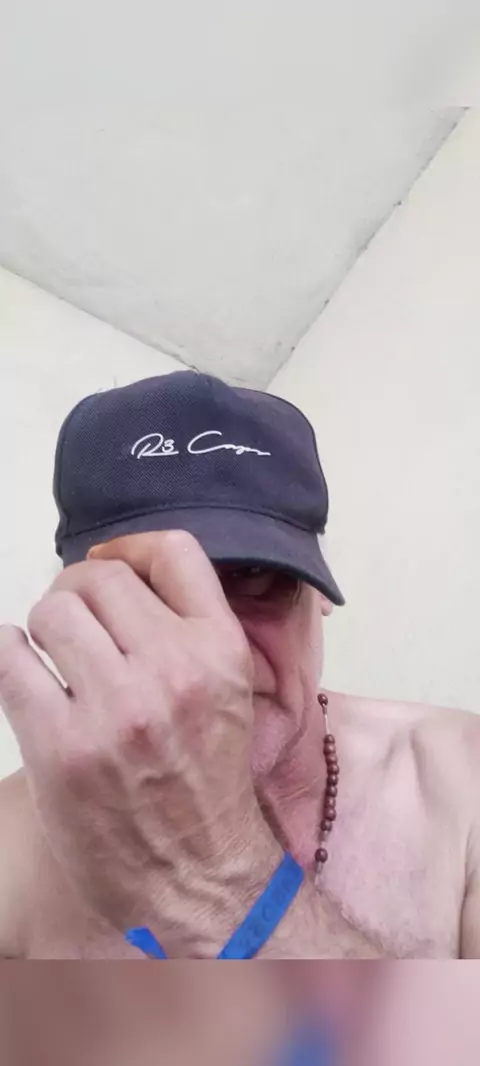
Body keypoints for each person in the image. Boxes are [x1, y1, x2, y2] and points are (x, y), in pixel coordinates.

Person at [0, 370, 479, 962]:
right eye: (144, 587)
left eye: (253, 577)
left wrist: (219, 883)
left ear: (321, 590)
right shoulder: (12, 849)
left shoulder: (461, 783)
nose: (215, 654)